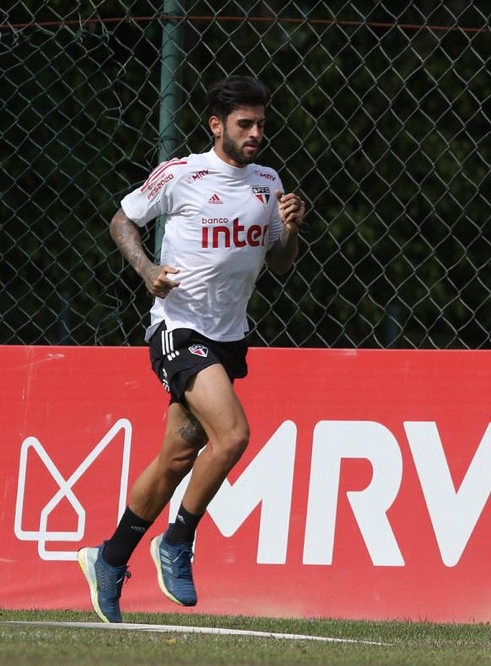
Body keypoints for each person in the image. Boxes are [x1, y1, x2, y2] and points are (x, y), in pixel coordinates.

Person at [78, 74, 306, 623]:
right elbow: (123, 221)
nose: (255, 134)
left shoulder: (269, 182)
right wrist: (148, 270)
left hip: (229, 335)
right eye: (244, 124)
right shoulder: (182, 174)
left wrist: (292, 230)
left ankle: (108, 558)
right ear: (216, 125)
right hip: (178, 327)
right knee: (233, 435)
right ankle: (176, 540)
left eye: (261, 125)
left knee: (178, 456)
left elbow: (279, 264)